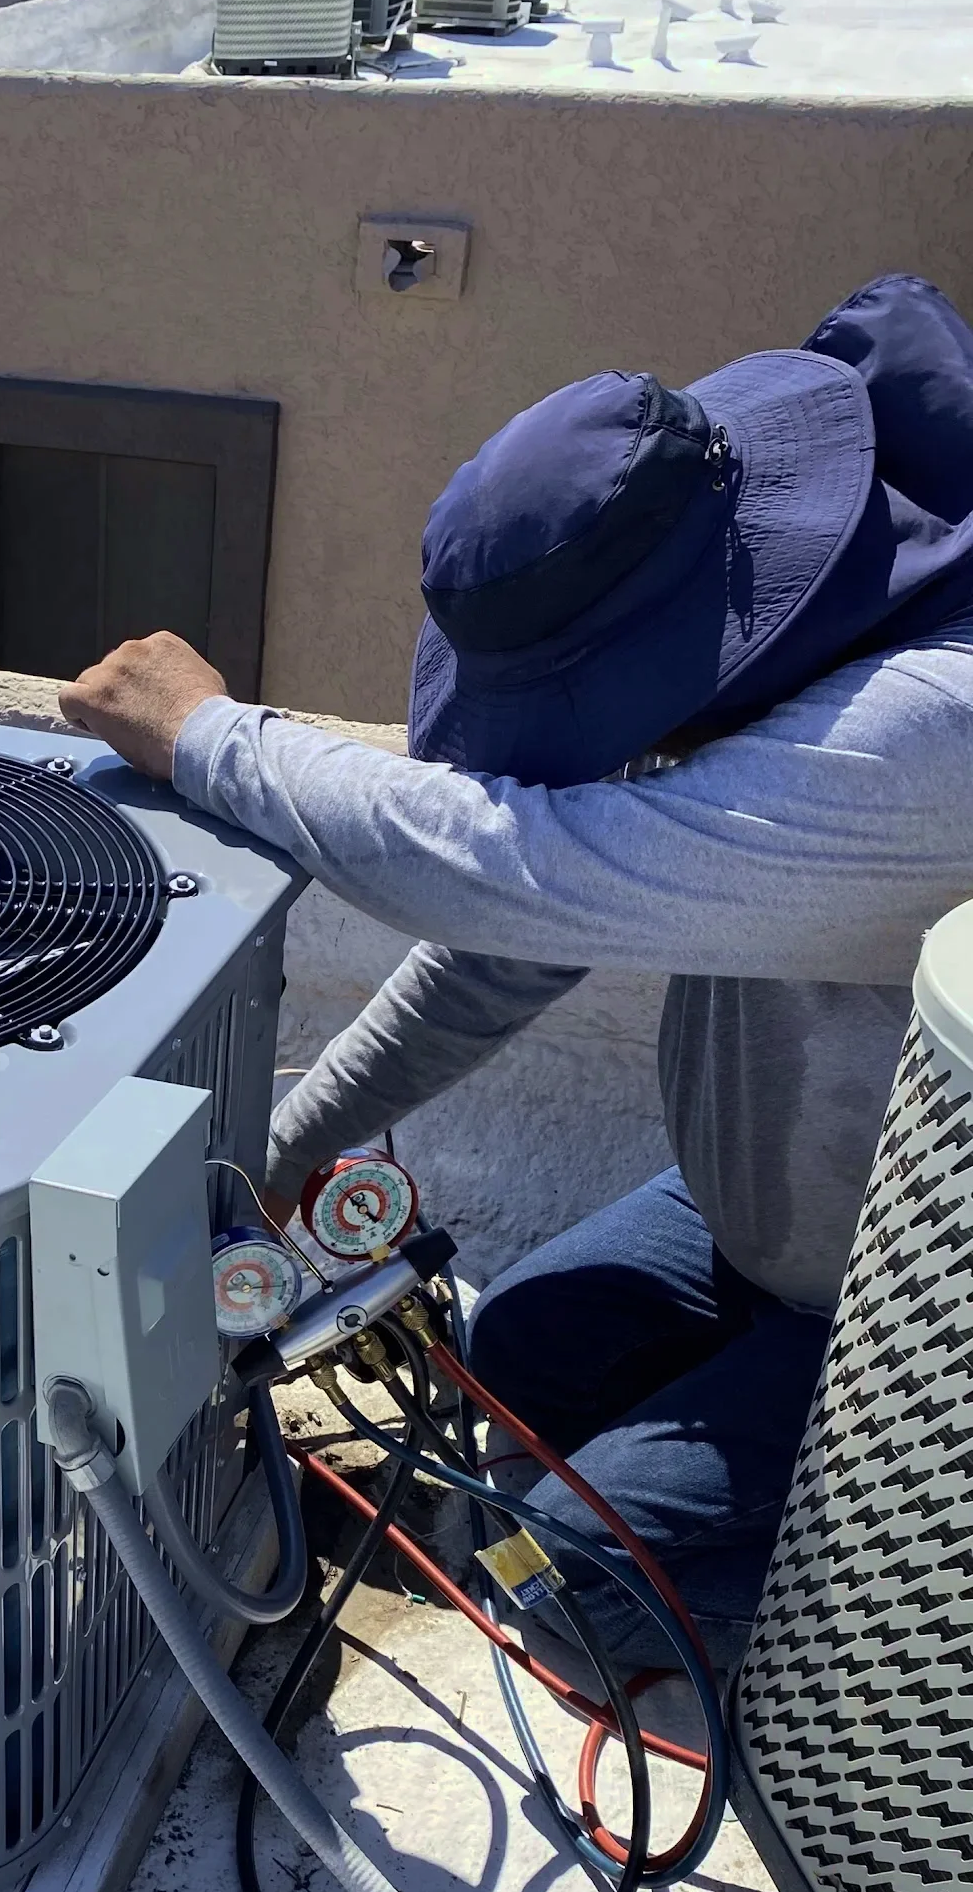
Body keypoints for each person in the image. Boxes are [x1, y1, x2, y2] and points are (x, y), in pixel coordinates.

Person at [60, 274, 973, 1668]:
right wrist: (291, 1148)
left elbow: (524, 870)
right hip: (771, 1227)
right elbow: (519, 941)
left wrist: (211, 739)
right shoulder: (779, 654)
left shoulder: (931, 730)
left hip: (925, 1294)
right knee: (515, 1361)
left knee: (571, 1587)